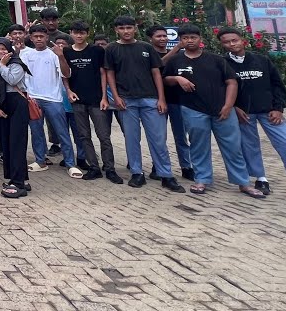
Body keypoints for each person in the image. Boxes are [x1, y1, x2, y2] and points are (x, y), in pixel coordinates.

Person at [162, 25, 264, 198]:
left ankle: (243, 182)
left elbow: (232, 82)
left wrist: (228, 105)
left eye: (193, 37)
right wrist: (177, 78)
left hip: (222, 110)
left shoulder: (217, 60)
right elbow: (164, 78)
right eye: (185, 38)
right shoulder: (176, 60)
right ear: (180, 40)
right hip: (193, 109)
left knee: (233, 147)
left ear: (200, 39)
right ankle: (201, 179)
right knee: (198, 146)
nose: (189, 41)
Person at [219, 28, 286, 203]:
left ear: (243, 40)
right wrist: (233, 108)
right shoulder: (222, 63)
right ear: (222, 44)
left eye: (234, 40)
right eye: (226, 42)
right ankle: (261, 180)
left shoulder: (261, 60)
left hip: (270, 112)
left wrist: (279, 108)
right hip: (244, 114)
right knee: (250, 147)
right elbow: (220, 89)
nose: (231, 44)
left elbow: (277, 85)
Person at [103, 16, 185, 193]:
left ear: (135, 29)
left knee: (158, 140)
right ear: (116, 30)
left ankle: (166, 175)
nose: (126, 31)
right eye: (122, 28)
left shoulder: (146, 47)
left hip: (150, 99)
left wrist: (161, 99)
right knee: (132, 139)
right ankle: (137, 172)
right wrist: (115, 97)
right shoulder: (111, 49)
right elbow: (110, 74)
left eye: (129, 27)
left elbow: (156, 73)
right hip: (126, 100)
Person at [20, 25, 82, 178]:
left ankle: (70, 164)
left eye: (42, 36)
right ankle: (40, 161)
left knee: (62, 132)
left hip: (53, 99)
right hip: (33, 98)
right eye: (36, 36)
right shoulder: (26, 54)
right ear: (31, 38)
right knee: (36, 131)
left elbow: (66, 73)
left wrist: (61, 56)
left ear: (47, 38)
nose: (39, 39)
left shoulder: (54, 54)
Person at [64, 22, 118, 183]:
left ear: (87, 34)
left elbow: (103, 73)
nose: (79, 36)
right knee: (84, 136)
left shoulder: (96, 50)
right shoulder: (66, 52)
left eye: (82, 33)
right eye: (76, 32)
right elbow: (65, 74)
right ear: (71, 33)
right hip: (78, 100)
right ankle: (93, 167)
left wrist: (104, 97)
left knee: (104, 136)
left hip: (96, 100)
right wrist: (69, 91)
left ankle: (110, 168)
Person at [149, 25, 194, 181]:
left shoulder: (182, 55)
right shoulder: (148, 53)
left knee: (181, 136)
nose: (162, 39)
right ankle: (157, 166)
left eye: (164, 36)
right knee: (159, 137)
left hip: (177, 99)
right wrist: (176, 49)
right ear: (151, 39)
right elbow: (158, 64)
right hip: (157, 100)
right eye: (158, 36)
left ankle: (186, 166)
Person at [0, 37, 31, 198]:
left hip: (17, 103)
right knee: (6, 144)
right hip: (2, 105)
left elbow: (12, 79)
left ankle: (19, 183)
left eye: (3, 49)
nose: (0, 52)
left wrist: (2, 65)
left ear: (9, 50)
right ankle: (15, 178)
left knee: (17, 143)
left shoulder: (17, 64)